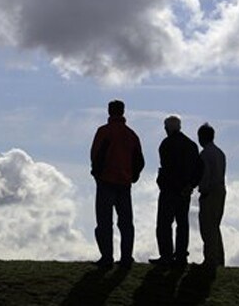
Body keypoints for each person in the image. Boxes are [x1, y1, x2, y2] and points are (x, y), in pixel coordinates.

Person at [90, 100, 144, 269]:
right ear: (123, 112)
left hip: (106, 181)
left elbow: (96, 155)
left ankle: (107, 257)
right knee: (126, 223)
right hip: (124, 183)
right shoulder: (131, 134)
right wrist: (133, 176)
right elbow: (140, 160)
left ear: (109, 111)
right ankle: (126, 257)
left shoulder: (104, 132)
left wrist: (97, 174)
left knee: (105, 222)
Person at [149, 116, 200, 266]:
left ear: (167, 128)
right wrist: (190, 185)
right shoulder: (191, 145)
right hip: (185, 191)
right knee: (182, 224)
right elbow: (198, 169)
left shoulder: (166, 144)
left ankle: (166, 256)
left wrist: (163, 182)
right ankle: (181, 256)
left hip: (169, 190)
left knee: (164, 224)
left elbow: (167, 169)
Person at [196, 123, 226, 268]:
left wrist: (203, 190)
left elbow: (205, 175)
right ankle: (218, 258)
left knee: (207, 227)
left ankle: (210, 259)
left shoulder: (205, 154)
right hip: (220, 190)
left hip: (210, 192)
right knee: (215, 226)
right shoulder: (220, 153)